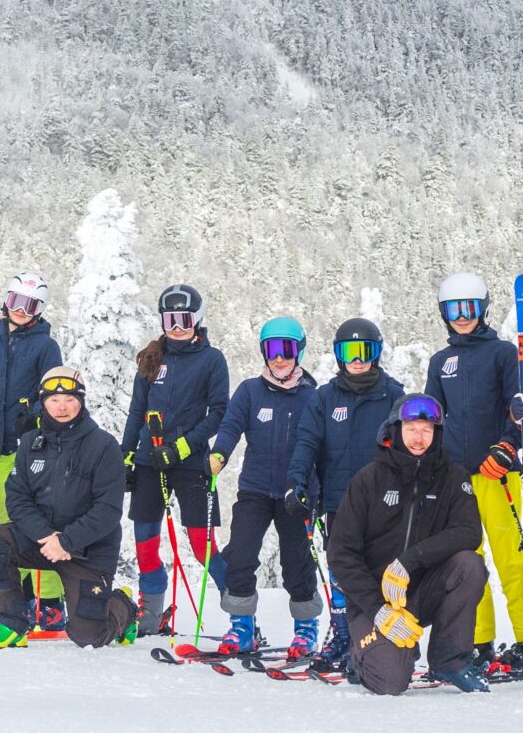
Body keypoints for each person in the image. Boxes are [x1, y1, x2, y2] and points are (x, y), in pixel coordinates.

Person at [325, 392, 491, 694]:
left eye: (427, 430)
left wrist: (409, 560)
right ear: (395, 430)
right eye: (412, 428)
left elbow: (469, 532)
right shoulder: (368, 479)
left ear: (437, 434)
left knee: (470, 565)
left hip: (421, 593)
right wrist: (378, 609)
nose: (419, 438)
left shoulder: (453, 478)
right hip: (372, 601)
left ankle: (449, 660)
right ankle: (363, 656)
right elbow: (340, 554)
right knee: (389, 681)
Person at [0, 366, 136, 648]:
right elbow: (17, 497)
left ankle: (123, 607)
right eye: (54, 400)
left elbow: (108, 510)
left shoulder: (104, 445)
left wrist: (67, 541)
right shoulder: (30, 443)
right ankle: (10, 623)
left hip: (88, 550)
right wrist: (47, 536)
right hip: (44, 541)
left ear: (82, 401)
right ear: (43, 402)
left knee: (88, 636)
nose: (62, 407)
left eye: (70, 399)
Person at [421, 270, 523, 674]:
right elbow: (432, 417)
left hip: (499, 474)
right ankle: (478, 642)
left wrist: (506, 448)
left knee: (512, 559)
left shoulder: (503, 354)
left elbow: (519, 409)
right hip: (458, 480)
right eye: (453, 309)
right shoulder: (440, 361)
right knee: (469, 563)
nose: (462, 316)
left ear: (483, 309)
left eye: (469, 308)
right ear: (443, 313)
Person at [286, 316, 405, 672]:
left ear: (376, 354)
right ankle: (341, 633)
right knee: (342, 572)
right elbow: (307, 442)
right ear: (339, 356)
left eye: (364, 350)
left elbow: (408, 445)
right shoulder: (325, 398)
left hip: (384, 502)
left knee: (379, 572)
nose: (357, 359)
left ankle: (375, 641)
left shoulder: (394, 395)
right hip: (339, 502)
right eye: (348, 351)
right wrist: (297, 483)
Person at [207, 315, 325, 653]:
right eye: (272, 349)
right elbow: (230, 426)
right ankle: (242, 627)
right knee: (240, 557)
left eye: (286, 349)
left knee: (296, 564)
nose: (279, 357)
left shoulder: (312, 397)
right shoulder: (250, 391)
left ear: (298, 351)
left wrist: (316, 493)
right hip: (255, 490)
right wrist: (220, 454)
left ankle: (305, 629)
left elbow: (322, 445)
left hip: (296, 494)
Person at [122, 285, 231, 641]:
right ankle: (152, 616)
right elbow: (137, 411)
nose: (177, 326)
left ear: (197, 319)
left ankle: (242, 618)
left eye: (184, 319)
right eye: (170, 319)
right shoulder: (152, 359)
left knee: (202, 546)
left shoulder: (211, 359)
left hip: (189, 462)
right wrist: (126, 455)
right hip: (149, 460)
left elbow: (218, 414)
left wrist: (182, 447)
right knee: (145, 543)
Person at [0, 274, 67, 621]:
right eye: (15, 302)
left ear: (39, 311)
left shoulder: (46, 346)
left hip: (34, 450)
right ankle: (18, 599)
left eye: (29, 306)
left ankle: (51, 603)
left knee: (37, 523)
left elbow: (53, 393)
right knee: (2, 525)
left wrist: (33, 416)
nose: (20, 311)